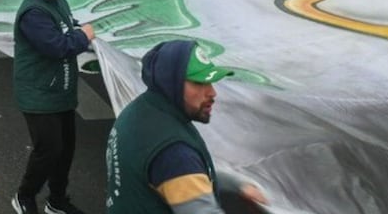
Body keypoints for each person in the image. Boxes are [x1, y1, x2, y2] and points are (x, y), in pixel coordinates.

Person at [105, 40, 268, 214]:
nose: (212, 92)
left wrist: (236, 185)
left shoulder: (141, 110)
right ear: (171, 83)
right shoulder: (174, 152)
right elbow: (181, 171)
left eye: (210, 82)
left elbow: (182, 177)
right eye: (199, 83)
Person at [12, 0, 95, 214]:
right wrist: (84, 36)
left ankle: (56, 201)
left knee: (65, 150)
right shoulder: (33, 12)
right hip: (39, 95)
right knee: (48, 150)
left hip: (61, 93)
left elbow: (66, 27)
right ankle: (24, 196)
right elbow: (57, 46)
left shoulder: (59, 1)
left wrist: (80, 29)